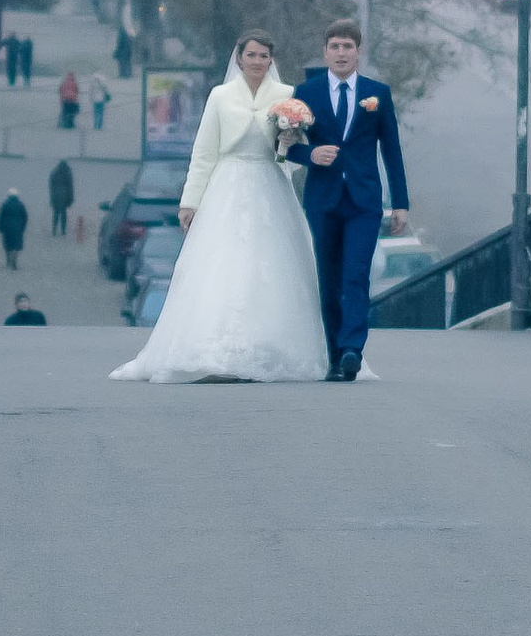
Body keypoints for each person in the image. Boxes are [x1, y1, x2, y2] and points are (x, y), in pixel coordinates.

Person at [112, 31, 328, 384]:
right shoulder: (221, 95)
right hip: (228, 183)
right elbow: (204, 151)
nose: (257, 62)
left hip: (269, 183)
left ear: (271, 60)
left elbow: (289, 158)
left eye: (264, 56)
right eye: (251, 55)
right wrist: (190, 201)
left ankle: (267, 345)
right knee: (222, 259)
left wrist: (288, 142)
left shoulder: (287, 96)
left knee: (270, 260)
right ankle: (211, 345)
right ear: (239, 58)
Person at [283, 19, 409, 383]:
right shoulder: (306, 93)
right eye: (335, 47)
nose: (341, 53)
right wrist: (310, 155)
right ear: (325, 52)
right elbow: (286, 146)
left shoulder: (377, 94)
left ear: (358, 52)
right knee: (329, 277)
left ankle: (353, 348)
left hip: (363, 201)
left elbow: (392, 150)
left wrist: (400, 203)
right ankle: (335, 356)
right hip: (322, 201)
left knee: (356, 274)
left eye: (347, 47)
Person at [0, 188, 30, 270]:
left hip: (7, 228)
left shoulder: (5, 204)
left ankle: (8, 259)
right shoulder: (21, 205)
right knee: (16, 245)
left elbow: (1, 217)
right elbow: (25, 217)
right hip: (18, 228)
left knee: (7, 244)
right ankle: (14, 259)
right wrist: (23, 227)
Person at [48, 159, 75, 236]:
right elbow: (70, 187)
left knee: (56, 213)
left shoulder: (54, 172)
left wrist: (51, 197)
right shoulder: (67, 173)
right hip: (64, 197)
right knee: (63, 214)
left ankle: (54, 230)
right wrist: (71, 199)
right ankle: (63, 231)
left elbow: (51, 186)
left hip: (55, 196)